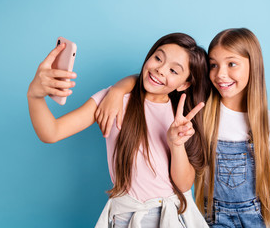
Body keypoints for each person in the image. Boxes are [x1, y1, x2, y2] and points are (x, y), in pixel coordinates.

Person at [95, 28, 270, 228]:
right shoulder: (198, 112)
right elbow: (153, 83)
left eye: (231, 64)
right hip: (211, 220)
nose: (220, 74)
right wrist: (117, 90)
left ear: (253, 66)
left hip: (258, 219)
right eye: (214, 65)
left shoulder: (265, 122)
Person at [27, 33, 210, 227]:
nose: (160, 70)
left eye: (174, 70)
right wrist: (34, 95)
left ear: (185, 84)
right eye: (158, 58)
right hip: (126, 217)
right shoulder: (113, 99)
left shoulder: (182, 117)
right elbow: (51, 132)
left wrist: (176, 144)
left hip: (171, 217)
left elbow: (183, 185)